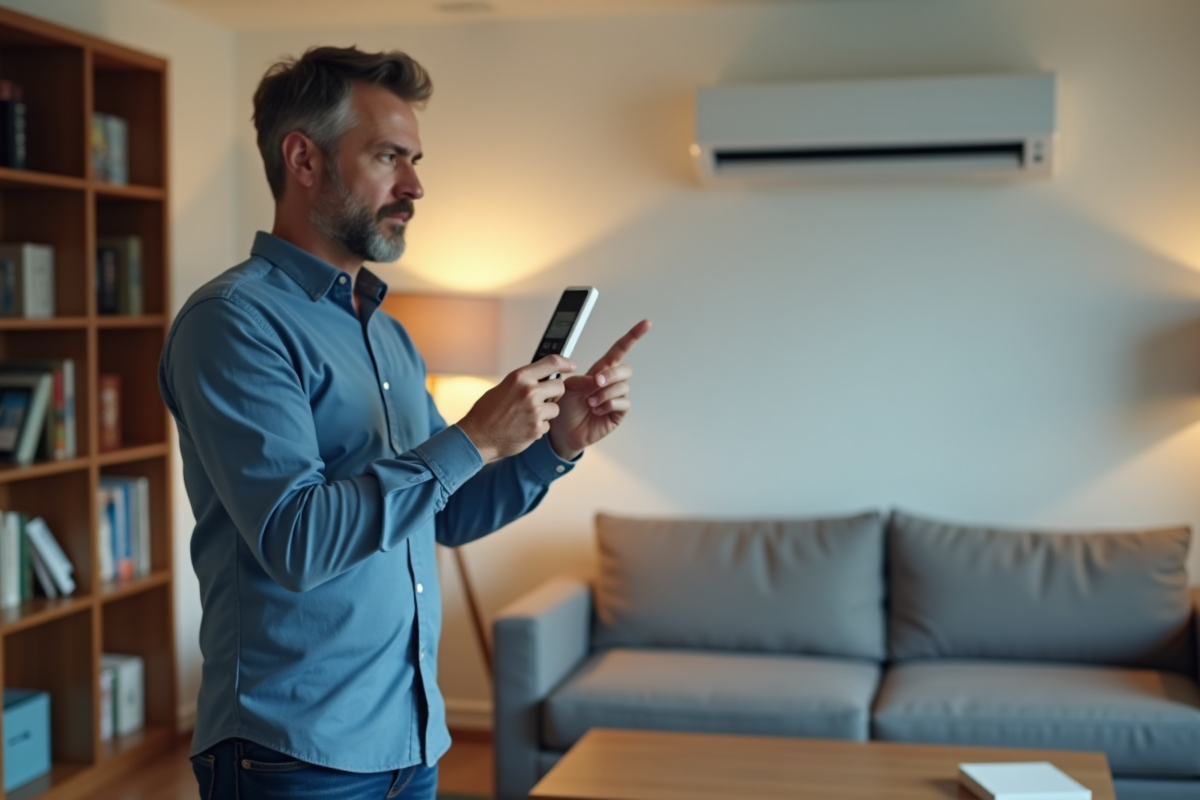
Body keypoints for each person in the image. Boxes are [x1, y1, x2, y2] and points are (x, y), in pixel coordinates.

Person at [159, 45, 650, 800]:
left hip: (409, 739)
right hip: (292, 755)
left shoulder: (385, 332)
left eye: (415, 159)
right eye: (390, 156)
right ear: (304, 159)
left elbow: (443, 514)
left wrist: (555, 445)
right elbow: (297, 538)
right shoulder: (234, 324)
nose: (416, 185)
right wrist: (476, 437)